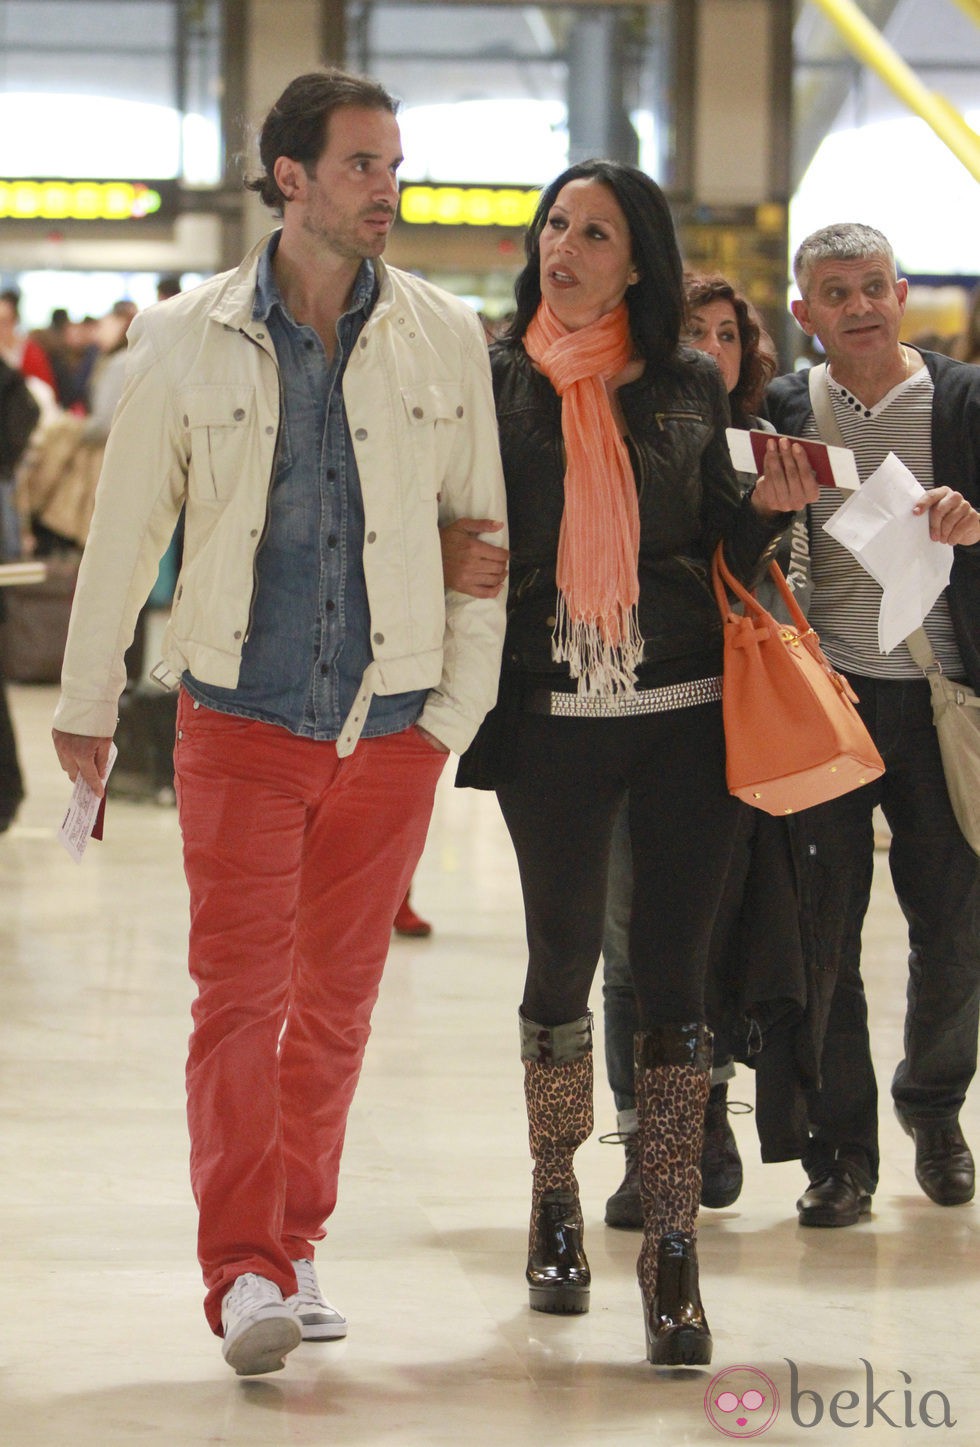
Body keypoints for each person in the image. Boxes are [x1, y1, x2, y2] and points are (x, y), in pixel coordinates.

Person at [51, 67, 507, 1377]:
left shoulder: (439, 333)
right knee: (236, 1003)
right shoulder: (188, 334)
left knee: (339, 1005)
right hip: (240, 714)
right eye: (364, 164)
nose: (389, 189)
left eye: (395, 165)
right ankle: (242, 1265)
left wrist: (448, 715)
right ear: (289, 175)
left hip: (393, 723)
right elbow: (127, 524)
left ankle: (298, 1237)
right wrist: (89, 703)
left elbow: (482, 530)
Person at [457, 160, 817, 1366]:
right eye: (553, 224)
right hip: (548, 715)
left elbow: (724, 542)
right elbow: (459, 524)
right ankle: (554, 1198)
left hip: (684, 712)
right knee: (559, 961)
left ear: (637, 260)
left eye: (593, 232)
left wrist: (767, 508)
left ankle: (671, 1248)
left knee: (674, 982)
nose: (563, 246)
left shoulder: (683, 385)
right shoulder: (494, 382)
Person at [766, 222, 980, 1227]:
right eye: (833, 293)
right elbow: (745, 543)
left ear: (899, 293)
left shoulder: (961, 402)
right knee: (820, 929)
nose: (857, 306)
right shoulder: (782, 411)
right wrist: (764, 510)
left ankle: (931, 1104)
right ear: (802, 313)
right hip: (825, 702)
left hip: (939, 700)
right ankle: (838, 1150)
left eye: (872, 287)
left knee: (954, 922)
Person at [600, 273, 811, 1230]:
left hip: (735, 716)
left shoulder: (765, 449)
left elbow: (761, 576)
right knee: (623, 937)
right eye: (694, 331)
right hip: (618, 705)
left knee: (708, 930)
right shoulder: (624, 426)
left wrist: (768, 513)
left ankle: (703, 1117)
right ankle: (644, 1137)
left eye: (728, 335)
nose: (711, 350)